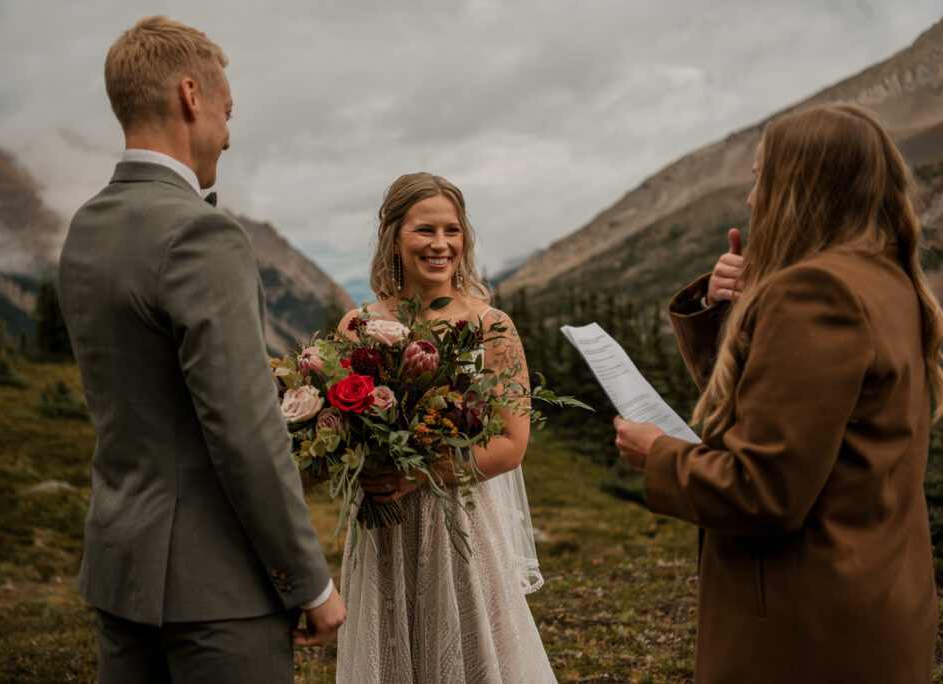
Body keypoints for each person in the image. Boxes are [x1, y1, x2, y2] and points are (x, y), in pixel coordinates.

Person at [58, 16, 344, 683]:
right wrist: (310, 583)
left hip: (120, 576)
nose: (228, 132)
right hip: (218, 596)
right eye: (226, 111)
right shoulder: (200, 234)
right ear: (192, 97)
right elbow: (243, 432)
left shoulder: (86, 227)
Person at [613, 104, 941, 683]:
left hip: (805, 627)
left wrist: (657, 454)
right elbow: (775, 412)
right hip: (872, 599)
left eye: (762, 176)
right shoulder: (888, 280)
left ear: (800, 184)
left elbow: (764, 490)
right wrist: (727, 315)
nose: (751, 198)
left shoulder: (814, 293)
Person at [332, 172, 556, 683]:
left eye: (451, 231)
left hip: (463, 524)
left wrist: (418, 474)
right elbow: (342, 428)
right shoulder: (356, 327)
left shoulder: (490, 326)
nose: (440, 244)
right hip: (383, 528)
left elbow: (511, 444)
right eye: (424, 230)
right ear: (394, 238)